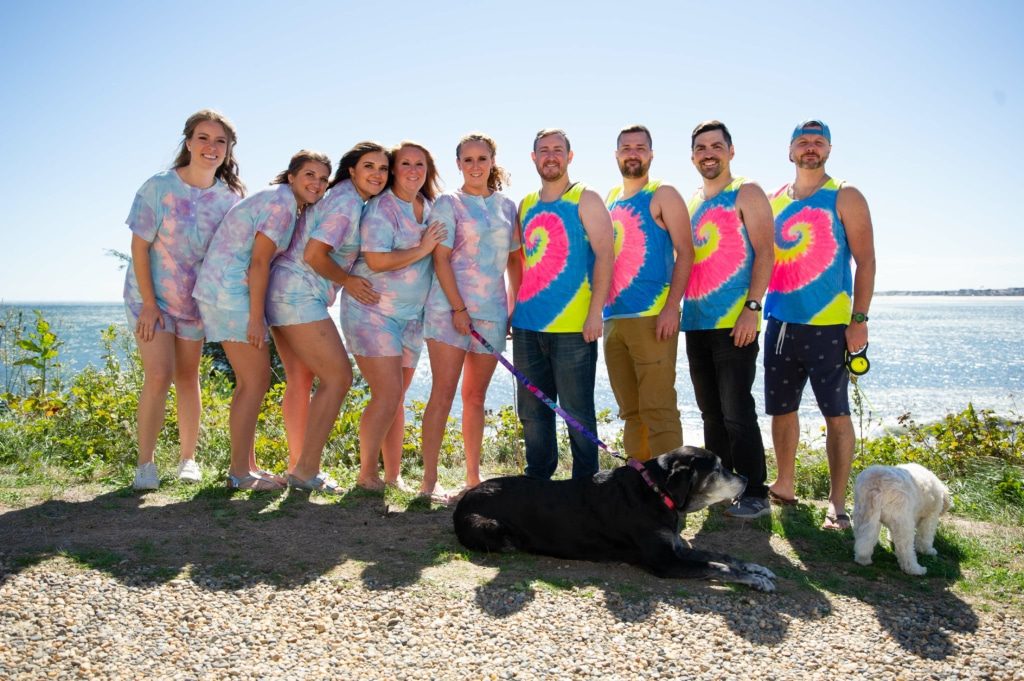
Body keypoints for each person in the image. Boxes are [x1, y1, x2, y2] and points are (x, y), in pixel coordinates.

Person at [193, 150, 331, 491]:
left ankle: (246, 467)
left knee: (249, 383)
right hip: (231, 295)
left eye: (324, 178)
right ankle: (240, 474)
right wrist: (257, 318)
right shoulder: (281, 205)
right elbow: (258, 262)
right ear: (291, 176)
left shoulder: (283, 201)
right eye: (310, 175)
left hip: (223, 291)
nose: (317, 183)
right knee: (254, 383)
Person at [764, 120, 876, 530]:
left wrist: (859, 320)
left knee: (836, 413)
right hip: (779, 321)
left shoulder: (845, 195)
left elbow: (866, 261)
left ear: (828, 149)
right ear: (790, 150)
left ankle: (837, 504)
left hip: (829, 325)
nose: (810, 148)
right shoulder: (774, 199)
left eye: (818, 142)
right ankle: (785, 484)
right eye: (803, 142)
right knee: (781, 410)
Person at [125, 109, 245, 491]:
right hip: (150, 298)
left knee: (187, 377)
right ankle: (145, 465)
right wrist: (148, 302)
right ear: (189, 142)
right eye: (203, 138)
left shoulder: (230, 199)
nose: (211, 147)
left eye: (220, 141)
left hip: (194, 303)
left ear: (228, 150)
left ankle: (188, 460)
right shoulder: (159, 187)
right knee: (158, 375)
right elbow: (139, 248)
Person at [265, 142, 390, 493]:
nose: (377, 174)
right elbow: (315, 254)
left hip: (281, 292)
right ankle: (306, 470)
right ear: (351, 170)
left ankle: (297, 466)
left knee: (301, 380)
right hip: (296, 295)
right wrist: (348, 280)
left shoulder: (345, 197)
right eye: (369, 166)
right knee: (338, 378)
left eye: (383, 169)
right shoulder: (347, 202)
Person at [420, 133, 523, 500]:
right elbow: (440, 258)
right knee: (443, 395)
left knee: (475, 397)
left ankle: (472, 479)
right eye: (468, 160)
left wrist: (513, 308)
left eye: (482, 159)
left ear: (492, 161)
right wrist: (459, 308)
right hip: (448, 311)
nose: (475, 166)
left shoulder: (507, 206)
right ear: (459, 164)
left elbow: (514, 260)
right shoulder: (448, 203)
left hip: (492, 314)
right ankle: (428, 483)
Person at [339, 141, 446, 492]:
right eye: (405, 164)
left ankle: (393, 476)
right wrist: (423, 248)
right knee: (386, 395)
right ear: (394, 170)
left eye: (421, 164)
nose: (413, 170)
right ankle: (366, 475)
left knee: (396, 398)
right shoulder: (382, 209)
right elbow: (377, 260)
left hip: (412, 318)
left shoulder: (429, 208)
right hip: (373, 312)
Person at [683, 120, 775, 519]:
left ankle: (755, 490)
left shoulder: (747, 192)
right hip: (697, 322)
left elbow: (766, 253)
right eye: (701, 147)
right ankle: (720, 488)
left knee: (737, 410)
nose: (709, 153)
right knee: (710, 413)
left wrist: (751, 309)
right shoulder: (691, 202)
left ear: (731, 151)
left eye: (716, 146)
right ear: (693, 156)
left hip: (735, 322)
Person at [510, 128, 614, 480]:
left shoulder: (586, 198)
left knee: (577, 411)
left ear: (570, 156)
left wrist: (595, 312)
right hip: (527, 325)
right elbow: (520, 262)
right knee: (532, 411)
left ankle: (586, 486)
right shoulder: (525, 204)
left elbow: (605, 256)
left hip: (574, 328)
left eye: (557, 150)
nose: (550, 156)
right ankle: (538, 480)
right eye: (543, 150)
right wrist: (513, 309)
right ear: (533, 158)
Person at [603, 124, 692, 462]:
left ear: (651, 154)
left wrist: (672, 308)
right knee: (631, 411)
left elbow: (686, 251)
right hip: (613, 318)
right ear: (616, 155)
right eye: (626, 147)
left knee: (658, 408)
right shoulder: (610, 199)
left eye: (640, 147)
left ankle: (673, 493)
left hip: (653, 317)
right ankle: (639, 486)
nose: (633, 153)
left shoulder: (662, 193)